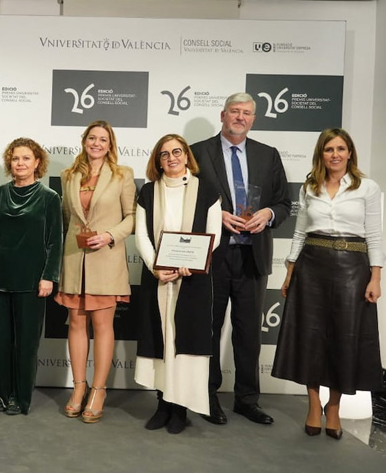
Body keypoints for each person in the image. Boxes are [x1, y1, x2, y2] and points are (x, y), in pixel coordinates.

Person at [272, 128, 383, 440]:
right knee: (310, 337)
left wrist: (376, 276)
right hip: (311, 267)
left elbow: (374, 235)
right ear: (321, 154)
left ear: (350, 153)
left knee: (342, 338)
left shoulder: (367, 188)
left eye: (341, 149)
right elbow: (299, 232)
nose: (335, 154)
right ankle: (313, 404)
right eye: (329, 149)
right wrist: (290, 271)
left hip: (352, 268)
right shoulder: (310, 187)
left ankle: (333, 407)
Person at [191, 92, 290, 425]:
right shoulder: (198, 152)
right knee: (209, 329)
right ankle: (207, 396)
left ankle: (247, 399)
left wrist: (268, 214)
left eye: (246, 113)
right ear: (222, 115)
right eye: (235, 111)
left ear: (253, 119)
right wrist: (215, 215)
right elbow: (184, 199)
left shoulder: (268, 155)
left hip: (253, 255)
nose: (240, 117)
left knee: (248, 333)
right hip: (212, 255)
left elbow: (284, 204)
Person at [134, 134, 221, 434]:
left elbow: (214, 233)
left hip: (192, 280)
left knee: (183, 341)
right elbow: (141, 235)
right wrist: (155, 267)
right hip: (158, 279)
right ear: (157, 160)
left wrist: (192, 262)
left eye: (177, 151)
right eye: (164, 154)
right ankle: (162, 404)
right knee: (160, 339)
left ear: (186, 155)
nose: (171, 157)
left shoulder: (207, 190)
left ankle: (180, 409)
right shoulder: (147, 191)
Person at [55, 120, 136, 423]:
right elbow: (66, 218)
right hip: (75, 261)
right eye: (92, 138)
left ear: (110, 144)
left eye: (103, 139)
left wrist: (110, 235)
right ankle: (78, 388)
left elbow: (131, 217)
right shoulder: (69, 175)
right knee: (76, 325)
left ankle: (99, 390)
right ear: (84, 141)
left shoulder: (122, 175)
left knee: (102, 326)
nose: (97, 143)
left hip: (106, 261)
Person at [0, 138, 63, 415]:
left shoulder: (50, 198)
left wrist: (49, 276)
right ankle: (1, 394)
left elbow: (55, 241)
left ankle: (20, 398)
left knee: (26, 342)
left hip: (31, 281)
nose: (20, 163)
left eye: (26, 158)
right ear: (9, 162)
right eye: (16, 158)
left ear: (37, 162)